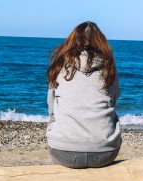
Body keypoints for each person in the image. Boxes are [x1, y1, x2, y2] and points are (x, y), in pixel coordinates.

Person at [46, 21, 122, 169]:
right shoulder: (109, 67)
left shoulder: (59, 65)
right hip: (105, 152)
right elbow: (114, 99)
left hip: (63, 151)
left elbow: (51, 107)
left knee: (55, 117)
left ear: (72, 42)